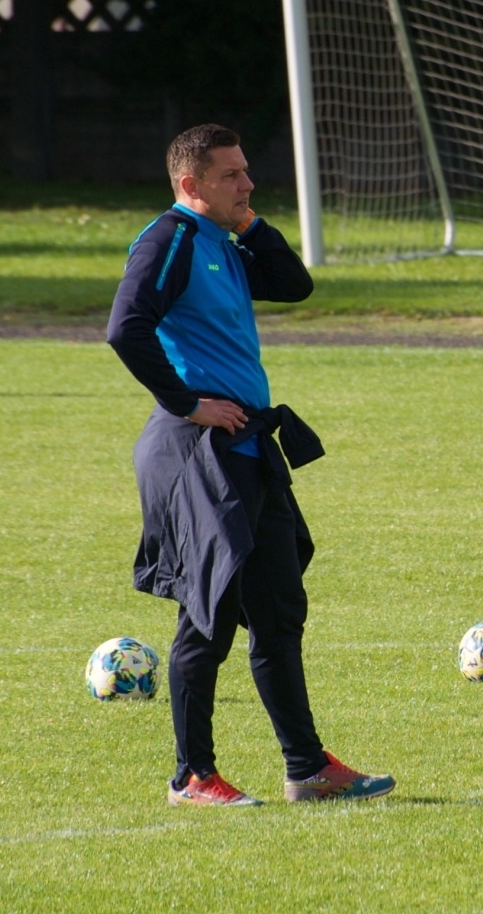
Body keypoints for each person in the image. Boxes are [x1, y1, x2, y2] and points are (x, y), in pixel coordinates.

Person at [108, 124, 394, 806]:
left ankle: (307, 768)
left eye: (246, 171)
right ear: (190, 185)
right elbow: (126, 326)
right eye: (232, 176)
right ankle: (192, 775)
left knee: (276, 608)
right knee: (209, 616)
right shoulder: (170, 239)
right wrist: (187, 403)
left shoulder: (223, 243)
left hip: (245, 449)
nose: (248, 184)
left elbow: (295, 285)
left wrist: (249, 220)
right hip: (196, 454)